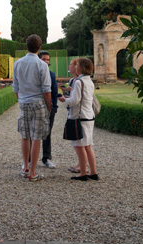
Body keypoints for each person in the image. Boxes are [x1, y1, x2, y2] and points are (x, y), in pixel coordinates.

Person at [12, 34, 51, 182]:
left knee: (25, 136)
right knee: (36, 138)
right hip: (38, 103)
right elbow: (46, 90)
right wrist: (49, 106)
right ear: (39, 48)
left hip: (24, 103)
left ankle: (25, 167)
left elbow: (15, 88)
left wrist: (22, 100)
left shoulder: (17, 63)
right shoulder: (42, 65)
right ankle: (33, 172)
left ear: (26, 47)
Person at [58, 57, 98, 181]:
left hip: (79, 118)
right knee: (88, 146)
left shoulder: (79, 82)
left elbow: (75, 100)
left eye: (77, 65)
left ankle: (83, 173)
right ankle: (93, 172)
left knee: (80, 146)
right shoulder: (89, 81)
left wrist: (64, 99)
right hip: (89, 117)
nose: (75, 67)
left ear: (81, 67)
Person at [38, 51, 58, 168]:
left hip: (49, 108)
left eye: (48, 59)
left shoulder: (51, 75)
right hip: (36, 106)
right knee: (31, 134)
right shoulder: (35, 74)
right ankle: (29, 159)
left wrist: (54, 107)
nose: (46, 61)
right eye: (44, 59)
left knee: (47, 133)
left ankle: (46, 158)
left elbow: (54, 92)